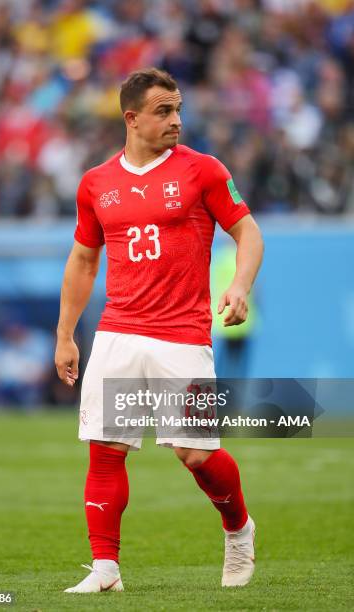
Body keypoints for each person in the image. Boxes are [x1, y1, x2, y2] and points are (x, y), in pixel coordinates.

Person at [55, 68, 264, 594]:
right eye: (163, 111)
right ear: (132, 118)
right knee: (104, 449)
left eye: (178, 110)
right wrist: (65, 334)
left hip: (182, 335)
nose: (176, 120)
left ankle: (238, 529)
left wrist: (240, 286)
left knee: (195, 454)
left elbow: (248, 231)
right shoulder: (96, 183)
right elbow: (83, 260)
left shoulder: (204, 171)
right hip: (118, 332)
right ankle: (105, 569)